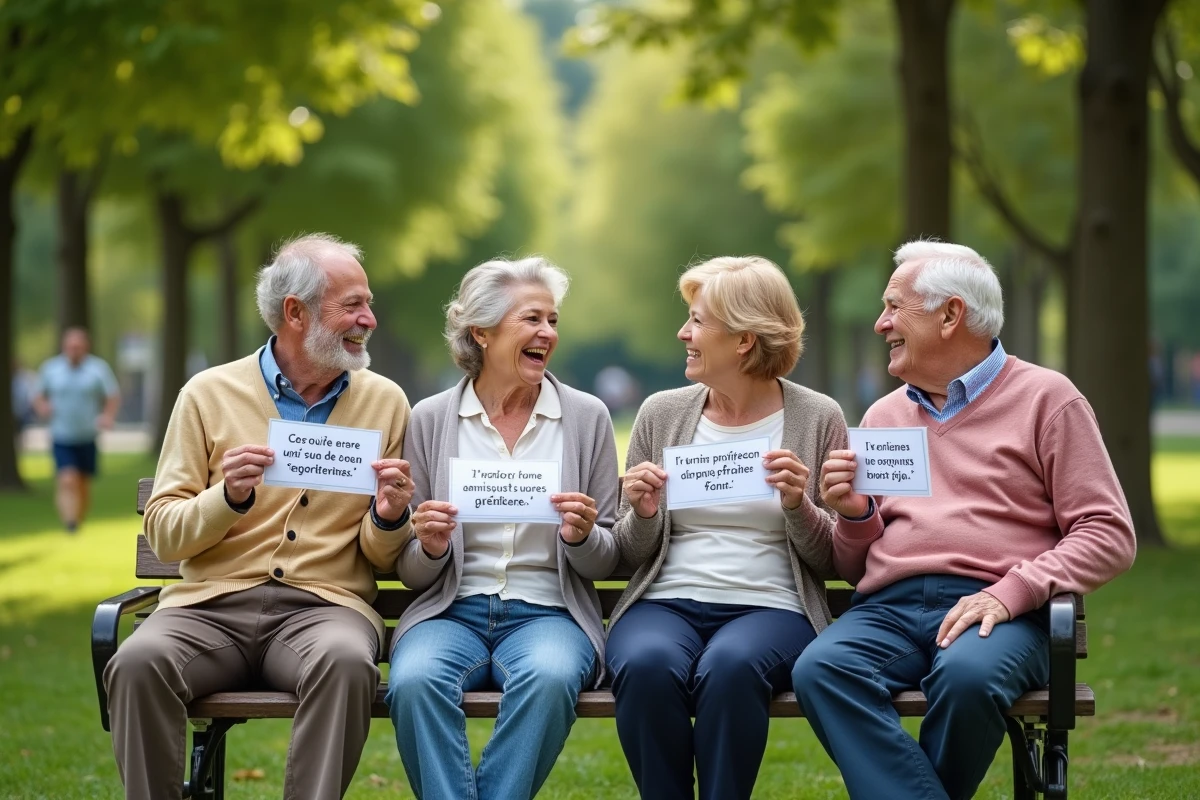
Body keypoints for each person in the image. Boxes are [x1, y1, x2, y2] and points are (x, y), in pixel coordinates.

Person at [799, 240, 1137, 800]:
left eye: (894, 307)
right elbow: (854, 568)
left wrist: (1013, 592)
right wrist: (855, 515)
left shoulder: (1048, 399)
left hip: (998, 609)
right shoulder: (884, 415)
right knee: (822, 671)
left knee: (969, 679)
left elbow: (1109, 535)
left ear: (951, 314)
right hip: (889, 609)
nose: (881, 324)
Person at [104, 233, 415, 800]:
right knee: (137, 663)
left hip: (324, 610)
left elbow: (380, 555)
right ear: (294, 312)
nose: (369, 319)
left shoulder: (386, 401)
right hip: (208, 609)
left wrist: (390, 517)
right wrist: (228, 498)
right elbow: (166, 533)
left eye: (367, 304)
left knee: (347, 663)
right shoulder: (207, 393)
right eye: (352, 305)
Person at [606, 256, 849, 800]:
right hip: (665, 601)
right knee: (645, 664)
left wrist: (797, 505)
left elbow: (838, 557)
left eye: (697, 321)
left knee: (731, 667)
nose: (683, 333)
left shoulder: (817, 417)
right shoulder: (661, 413)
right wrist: (643, 513)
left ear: (743, 339)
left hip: (773, 607)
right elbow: (626, 552)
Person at [385, 256, 621, 800]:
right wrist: (431, 545)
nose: (548, 334)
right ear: (482, 332)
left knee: (550, 678)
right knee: (416, 681)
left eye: (553, 321)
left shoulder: (587, 418)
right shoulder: (430, 420)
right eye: (532, 319)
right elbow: (412, 571)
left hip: (550, 612)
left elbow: (607, 557)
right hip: (452, 609)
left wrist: (581, 535)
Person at [33, 328, 120, 532]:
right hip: (61, 434)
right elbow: (38, 395)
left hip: (87, 435)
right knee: (67, 478)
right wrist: (42, 407)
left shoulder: (98, 369)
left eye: (78, 347)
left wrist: (107, 416)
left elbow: (112, 395)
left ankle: (78, 518)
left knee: (82, 483)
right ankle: (69, 522)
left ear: (85, 348)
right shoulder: (51, 369)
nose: (74, 351)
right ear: (64, 347)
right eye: (71, 347)